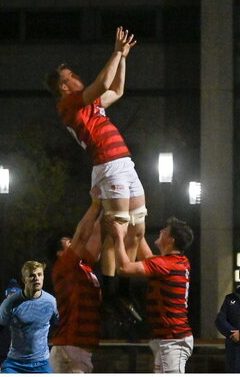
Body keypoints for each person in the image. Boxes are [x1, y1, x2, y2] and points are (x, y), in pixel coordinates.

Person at [44, 27, 146, 295]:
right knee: (118, 229)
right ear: (64, 86)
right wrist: (115, 52)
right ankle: (113, 293)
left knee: (138, 227)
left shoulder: (89, 104)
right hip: (108, 165)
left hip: (125, 162)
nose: (78, 78)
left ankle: (125, 288)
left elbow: (117, 90)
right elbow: (102, 84)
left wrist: (123, 57)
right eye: (72, 76)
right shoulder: (68, 105)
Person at [107, 216, 195, 373]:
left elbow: (124, 268)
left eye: (165, 231)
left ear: (171, 240)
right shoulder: (178, 261)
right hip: (169, 339)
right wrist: (136, 227)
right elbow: (147, 258)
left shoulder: (166, 264)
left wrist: (118, 237)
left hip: (173, 340)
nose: (161, 231)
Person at [49, 197, 104, 373]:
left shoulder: (83, 265)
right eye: (68, 244)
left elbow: (96, 234)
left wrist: (111, 203)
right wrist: (96, 204)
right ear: (59, 254)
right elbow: (82, 236)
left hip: (78, 350)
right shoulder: (64, 267)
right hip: (69, 349)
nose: (74, 244)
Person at [0, 261, 59, 374]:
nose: (37, 278)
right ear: (24, 279)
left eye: (40, 275)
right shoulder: (10, 302)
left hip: (42, 363)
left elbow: (61, 327)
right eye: (32, 275)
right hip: (15, 363)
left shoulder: (51, 302)